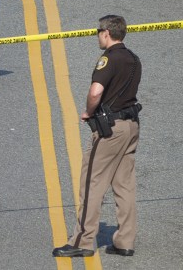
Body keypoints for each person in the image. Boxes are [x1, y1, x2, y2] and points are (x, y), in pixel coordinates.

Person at [53, 15, 142, 259]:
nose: (97, 35)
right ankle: (125, 241)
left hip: (110, 128)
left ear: (106, 33)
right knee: (124, 185)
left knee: (92, 183)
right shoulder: (133, 58)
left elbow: (96, 91)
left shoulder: (109, 59)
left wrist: (88, 112)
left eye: (98, 31)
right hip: (131, 126)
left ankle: (82, 240)